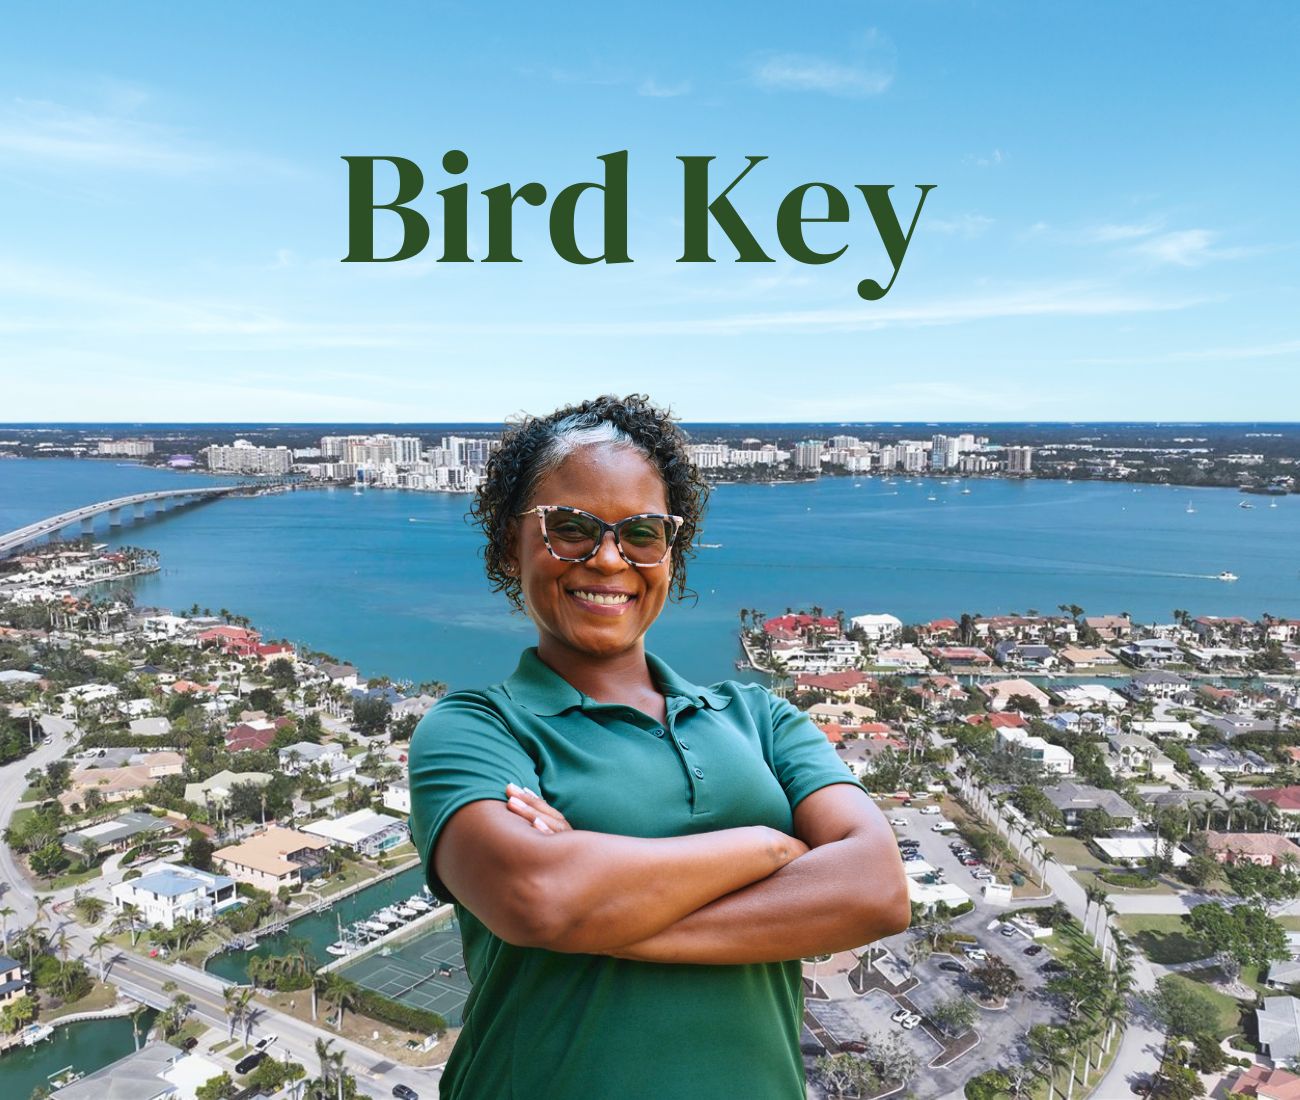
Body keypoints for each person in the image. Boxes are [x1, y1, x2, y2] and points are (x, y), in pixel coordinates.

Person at [407, 394, 909, 1099]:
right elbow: (539, 896)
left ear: (671, 553)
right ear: (505, 545)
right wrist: (768, 848)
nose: (608, 558)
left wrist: (601, 910)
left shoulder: (760, 717)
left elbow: (876, 890)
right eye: (570, 528)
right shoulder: (476, 729)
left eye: (641, 533)